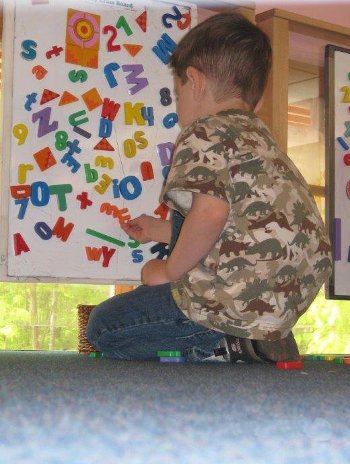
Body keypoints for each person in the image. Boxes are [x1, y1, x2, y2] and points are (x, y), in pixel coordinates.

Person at [86, 12, 332, 363]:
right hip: (288, 297)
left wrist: (168, 270)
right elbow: (238, 225)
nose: (179, 102)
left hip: (227, 299)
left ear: (194, 81)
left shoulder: (203, 131)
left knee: (103, 328)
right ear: (257, 102)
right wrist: (158, 230)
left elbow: (212, 212)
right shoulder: (264, 143)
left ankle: (222, 342)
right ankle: (255, 335)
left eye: (177, 92)